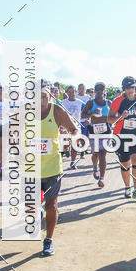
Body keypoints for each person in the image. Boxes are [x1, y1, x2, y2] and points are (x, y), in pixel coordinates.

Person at [39, 85, 80, 256]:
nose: (40, 100)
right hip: (31, 167)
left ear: (49, 97)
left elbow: (74, 129)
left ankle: (48, 240)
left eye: (43, 96)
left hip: (52, 167)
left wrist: (71, 136)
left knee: (51, 205)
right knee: (30, 205)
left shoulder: (56, 111)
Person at [108, 77, 136, 201]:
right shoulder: (118, 101)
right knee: (125, 163)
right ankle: (127, 187)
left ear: (135, 87)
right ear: (124, 89)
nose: (130, 90)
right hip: (122, 135)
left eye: (132, 87)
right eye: (127, 88)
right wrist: (120, 117)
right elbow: (109, 119)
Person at [81, 83, 111, 186]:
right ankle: (95, 168)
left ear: (104, 90)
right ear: (94, 91)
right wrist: (92, 114)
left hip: (106, 131)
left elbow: (115, 114)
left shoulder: (108, 103)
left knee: (103, 154)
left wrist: (111, 120)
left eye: (101, 89)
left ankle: (102, 178)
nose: (99, 91)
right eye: (97, 89)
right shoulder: (90, 103)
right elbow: (83, 114)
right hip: (94, 131)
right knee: (96, 154)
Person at [60, 86, 84, 169]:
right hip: (65, 126)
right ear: (67, 93)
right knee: (66, 143)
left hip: (76, 126)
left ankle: (73, 162)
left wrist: (86, 120)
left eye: (73, 92)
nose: (71, 94)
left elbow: (85, 112)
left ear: (75, 92)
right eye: (69, 92)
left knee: (75, 144)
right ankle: (66, 149)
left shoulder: (80, 103)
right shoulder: (62, 103)